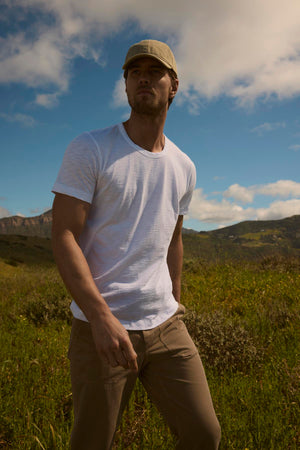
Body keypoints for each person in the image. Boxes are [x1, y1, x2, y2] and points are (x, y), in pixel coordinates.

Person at [51, 39, 221, 450]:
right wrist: (101, 318)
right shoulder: (90, 148)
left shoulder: (184, 166)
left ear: (173, 86)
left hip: (166, 326)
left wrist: (176, 298)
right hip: (101, 328)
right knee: (92, 442)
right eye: (134, 72)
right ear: (126, 86)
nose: (143, 77)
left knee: (205, 435)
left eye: (154, 71)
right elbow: (64, 234)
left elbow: (173, 236)